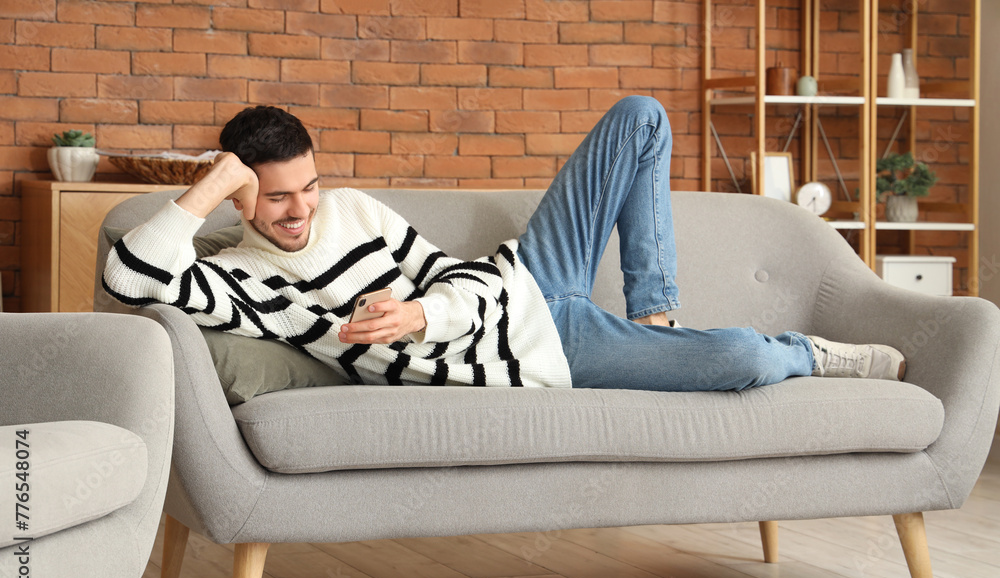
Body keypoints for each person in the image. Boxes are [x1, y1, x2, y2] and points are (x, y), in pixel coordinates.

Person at [103, 96, 905, 391]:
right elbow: (129, 276)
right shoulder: (241, 281)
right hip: (547, 350)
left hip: (522, 279)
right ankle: (811, 352)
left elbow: (458, 277)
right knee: (744, 360)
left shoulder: (354, 210)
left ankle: (656, 312)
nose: (300, 210)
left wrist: (419, 314)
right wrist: (211, 182)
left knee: (641, 116)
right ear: (240, 191)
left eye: (307, 187)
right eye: (275, 196)